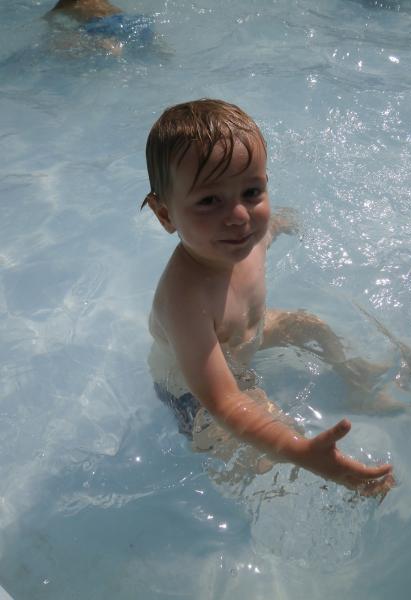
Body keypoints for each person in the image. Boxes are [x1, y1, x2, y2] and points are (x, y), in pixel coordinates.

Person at [142, 98, 396, 497]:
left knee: (310, 325)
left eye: (251, 191)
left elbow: (271, 225)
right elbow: (226, 402)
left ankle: (359, 384)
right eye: (209, 200)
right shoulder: (184, 298)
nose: (239, 216)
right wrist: (300, 451)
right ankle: (316, 476)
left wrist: (289, 222)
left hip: (244, 341)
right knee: (266, 440)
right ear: (165, 215)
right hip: (195, 394)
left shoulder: (248, 237)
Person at [45, 0, 154, 55]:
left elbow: (49, 19)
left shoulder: (65, 3)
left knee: (57, 48)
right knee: (148, 44)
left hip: (99, 24)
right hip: (127, 19)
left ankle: (108, 46)